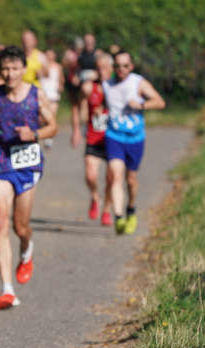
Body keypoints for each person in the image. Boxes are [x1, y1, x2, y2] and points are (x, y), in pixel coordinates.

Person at [0, 45, 58, 309]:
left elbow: (53, 126)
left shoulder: (37, 95)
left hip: (26, 164)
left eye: (15, 68)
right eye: (5, 68)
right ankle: (7, 289)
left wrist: (36, 135)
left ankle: (26, 249)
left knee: (20, 227)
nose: (9, 73)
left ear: (23, 69)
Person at [103, 49, 166, 234]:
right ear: (113, 67)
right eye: (117, 66)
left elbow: (160, 102)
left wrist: (141, 105)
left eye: (125, 66)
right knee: (115, 175)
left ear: (131, 66)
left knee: (131, 180)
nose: (121, 69)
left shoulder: (138, 82)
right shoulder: (107, 84)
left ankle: (131, 208)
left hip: (135, 138)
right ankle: (119, 216)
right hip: (113, 136)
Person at [71, 53, 114, 225]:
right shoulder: (89, 87)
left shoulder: (117, 88)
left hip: (113, 138)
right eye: (99, 68)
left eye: (105, 68)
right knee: (90, 175)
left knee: (112, 178)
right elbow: (77, 106)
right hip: (94, 136)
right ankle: (95, 197)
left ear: (112, 69)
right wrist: (76, 129)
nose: (102, 71)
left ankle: (107, 210)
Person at [39, 48, 62, 148]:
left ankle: (49, 137)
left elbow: (61, 78)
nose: (48, 56)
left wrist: (60, 85)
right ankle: (44, 133)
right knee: (42, 118)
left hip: (53, 94)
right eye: (47, 54)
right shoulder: (42, 66)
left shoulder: (58, 67)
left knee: (52, 116)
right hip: (44, 93)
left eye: (50, 54)